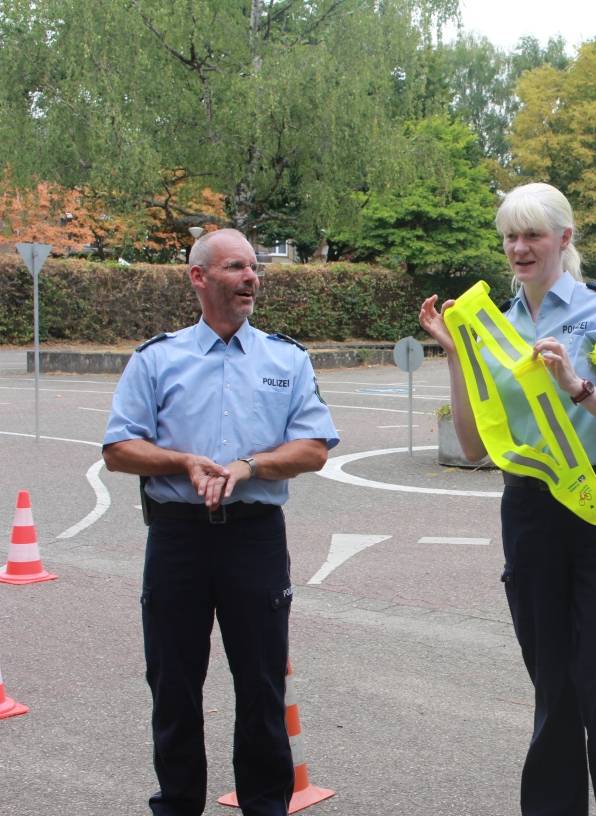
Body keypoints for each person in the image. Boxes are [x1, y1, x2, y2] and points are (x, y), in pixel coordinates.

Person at [419, 182, 596, 816]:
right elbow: (474, 448)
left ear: (565, 238)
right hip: (531, 514)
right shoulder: (492, 326)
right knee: (554, 694)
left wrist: (578, 386)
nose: (520, 247)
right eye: (511, 235)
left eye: (533, 234)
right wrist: (455, 354)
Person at [102, 228, 339, 816]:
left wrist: (248, 466)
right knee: (174, 684)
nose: (251, 278)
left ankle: (265, 806)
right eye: (236, 267)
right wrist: (183, 460)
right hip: (178, 537)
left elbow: (314, 448)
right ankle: (178, 804)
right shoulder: (157, 359)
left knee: (260, 685)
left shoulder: (286, 358)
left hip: (254, 538)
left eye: (255, 267)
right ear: (199, 277)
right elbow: (118, 448)